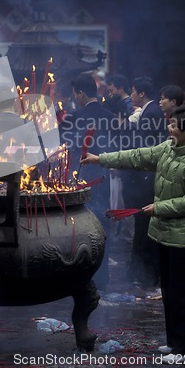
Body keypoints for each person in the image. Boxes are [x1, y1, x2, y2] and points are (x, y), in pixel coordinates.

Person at [81, 104, 185, 363]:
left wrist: (159, 208)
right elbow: (138, 156)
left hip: (184, 240)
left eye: (174, 125)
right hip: (165, 234)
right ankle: (174, 343)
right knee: (169, 291)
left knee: (182, 295)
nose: (169, 127)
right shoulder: (168, 149)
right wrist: (101, 159)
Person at [59, 74, 117, 292]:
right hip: (102, 176)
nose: (76, 97)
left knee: (79, 225)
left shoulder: (75, 117)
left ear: (80, 93)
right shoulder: (110, 116)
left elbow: (68, 147)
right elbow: (116, 146)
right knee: (102, 225)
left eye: (75, 93)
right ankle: (102, 278)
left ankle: (81, 277)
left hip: (80, 175)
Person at [126, 76, 168, 286]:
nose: (131, 95)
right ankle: (144, 271)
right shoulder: (150, 111)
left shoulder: (151, 113)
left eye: (133, 91)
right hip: (147, 174)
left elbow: (145, 147)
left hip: (146, 175)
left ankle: (146, 273)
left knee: (144, 223)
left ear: (141, 94)